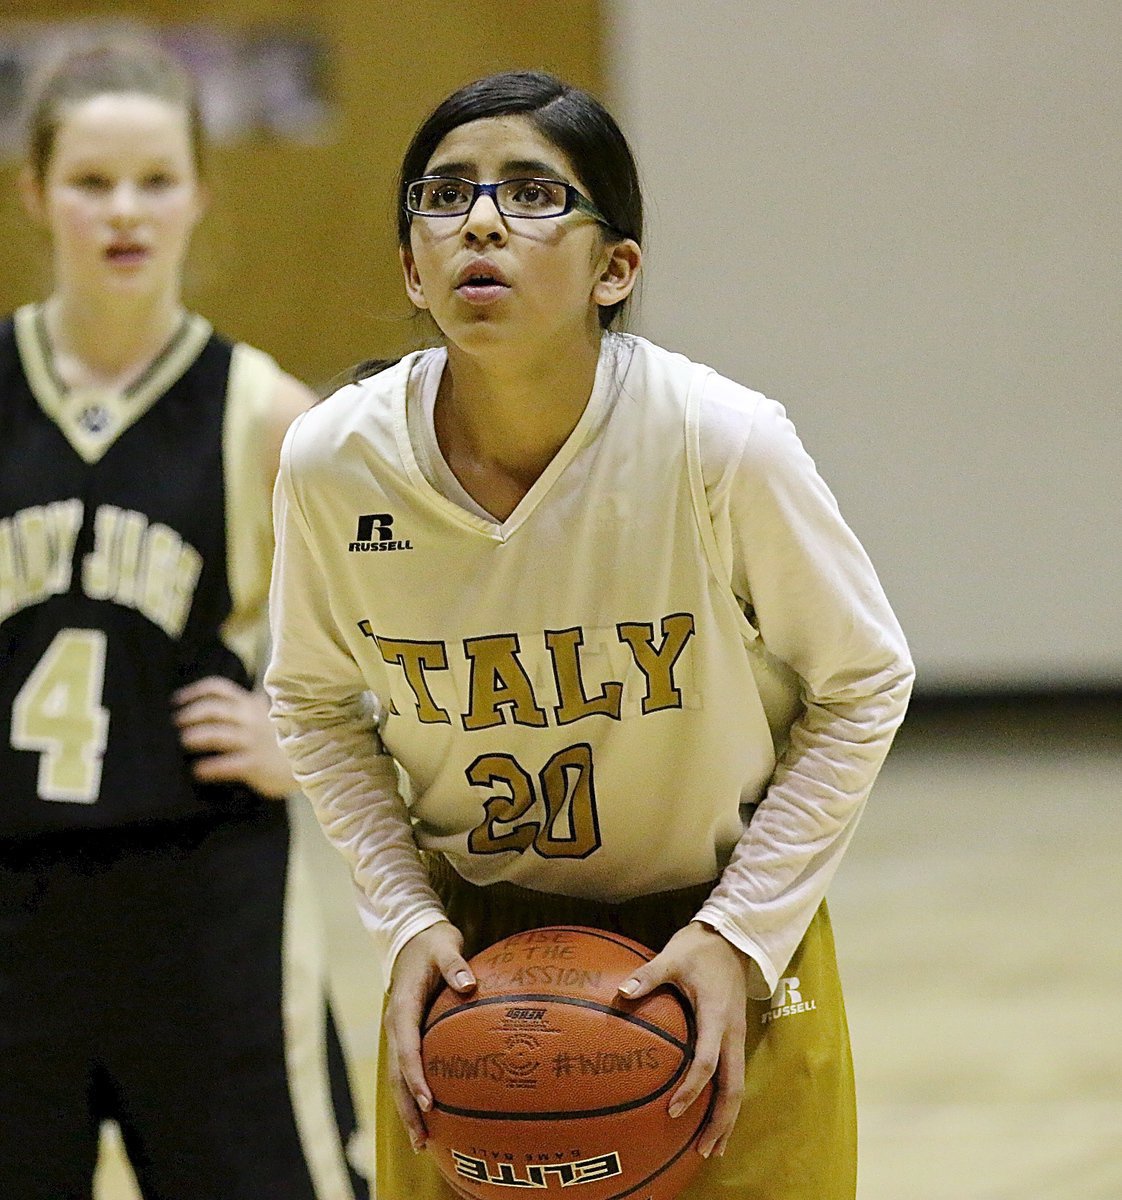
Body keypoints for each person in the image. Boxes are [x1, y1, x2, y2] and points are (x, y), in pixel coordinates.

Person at [265, 69, 915, 1199]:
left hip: (720, 941)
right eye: (445, 194)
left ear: (616, 268)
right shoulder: (333, 462)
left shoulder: (722, 445)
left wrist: (741, 934)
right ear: (412, 268)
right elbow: (314, 706)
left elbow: (864, 680)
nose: (479, 218)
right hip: (467, 968)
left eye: (531, 193)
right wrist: (402, 917)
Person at [0, 40, 370, 1199]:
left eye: (155, 180)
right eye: (91, 181)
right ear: (34, 192)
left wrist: (307, 744)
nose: (124, 210)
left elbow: (409, 645)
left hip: (205, 909)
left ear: (200, 192)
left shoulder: (268, 416)